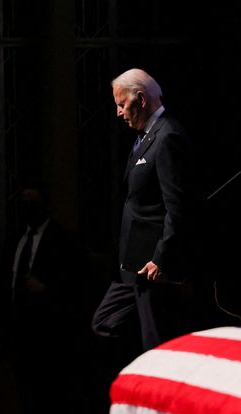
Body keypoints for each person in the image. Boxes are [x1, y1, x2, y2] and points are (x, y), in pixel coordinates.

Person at [0, 180, 92, 414]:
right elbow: (2, 288)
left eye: (33, 203)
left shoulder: (62, 240)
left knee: (54, 407)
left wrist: (47, 290)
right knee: (30, 407)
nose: (28, 210)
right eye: (23, 203)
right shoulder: (16, 241)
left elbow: (79, 285)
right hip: (22, 339)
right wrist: (0, 332)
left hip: (51, 340)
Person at [91, 68, 199, 357]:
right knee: (105, 323)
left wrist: (162, 258)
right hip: (134, 265)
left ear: (140, 99)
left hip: (152, 268)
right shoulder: (146, 136)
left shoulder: (167, 137)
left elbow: (178, 207)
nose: (118, 112)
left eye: (121, 104)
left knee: (156, 348)